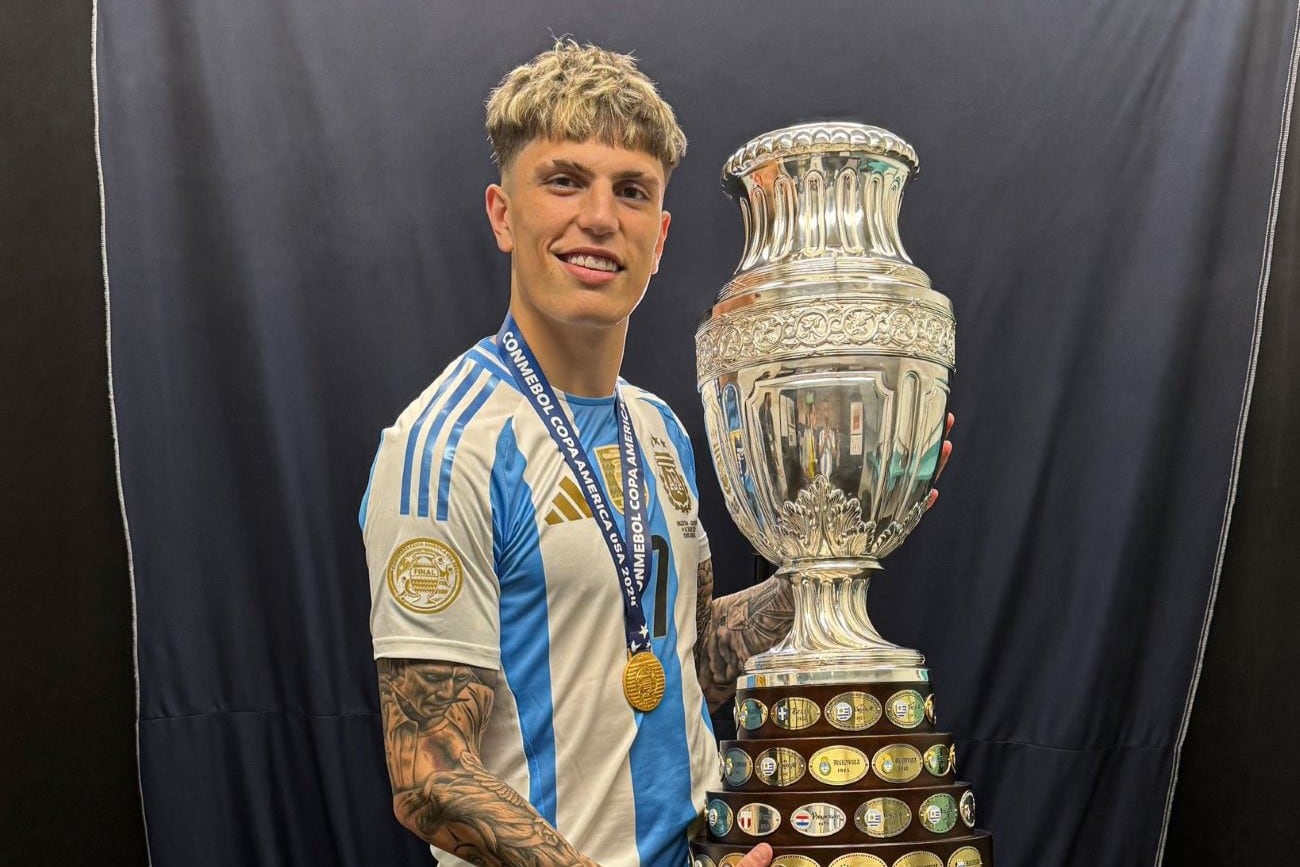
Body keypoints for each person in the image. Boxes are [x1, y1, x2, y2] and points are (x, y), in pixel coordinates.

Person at [360, 41, 797, 867]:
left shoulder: (661, 429)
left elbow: (693, 656)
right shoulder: (443, 444)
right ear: (502, 213)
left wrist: (827, 557)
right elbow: (429, 773)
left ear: (659, 235)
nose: (600, 217)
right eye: (565, 180)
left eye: (631, 191)